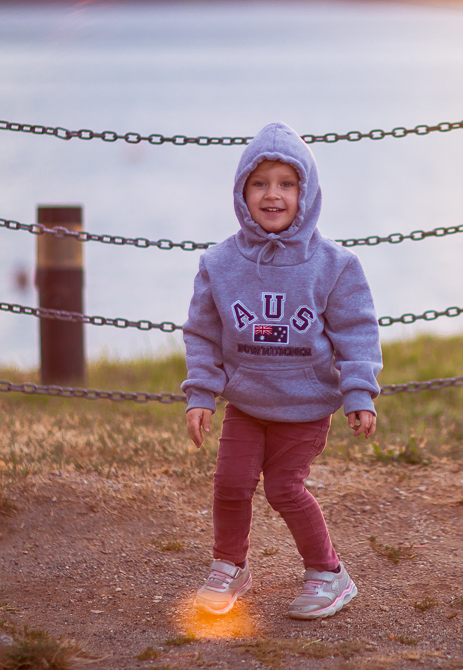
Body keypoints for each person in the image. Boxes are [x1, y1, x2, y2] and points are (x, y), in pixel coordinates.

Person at [182, 122, 381, 620]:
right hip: (247, 403)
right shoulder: (219, 263)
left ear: (306, 192)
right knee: (230, 484)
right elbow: (203, 333)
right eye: (260, 183)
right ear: (241, 191)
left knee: (283, 488)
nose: (273, 195)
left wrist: (359, 393)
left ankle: (329, 574)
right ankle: (231, 566)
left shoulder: (334, 265)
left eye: (287, 184)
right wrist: (202, 394)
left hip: (305, 405)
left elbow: (356, 333)